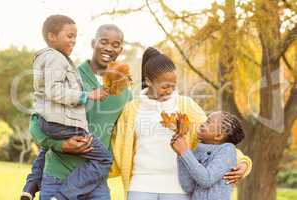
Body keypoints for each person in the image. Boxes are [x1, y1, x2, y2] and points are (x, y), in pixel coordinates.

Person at [110, 47, 252, 200]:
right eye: (165, 86)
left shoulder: (186, 106)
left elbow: (214, 138)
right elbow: (118, 148)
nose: (170, 90)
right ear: (149, 82)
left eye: (173, 86)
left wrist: (243, 162)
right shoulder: (131, 110)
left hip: (177, 188)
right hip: (140, 185)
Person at [21, 15, 115, 200]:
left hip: (94, 179)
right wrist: (87, 95)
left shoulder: (124, 90)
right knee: (104, 158)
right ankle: (59, 195)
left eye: (75, 36)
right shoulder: (60, 61)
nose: (109, 48)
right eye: (69, 36)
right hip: (58, 164)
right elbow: (41, 113)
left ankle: (31, 186)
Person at [171, 111, 245, 200]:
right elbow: (188, 187)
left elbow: (207, 180)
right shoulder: (198, 150)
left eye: (208, 122)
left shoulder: (227, 150)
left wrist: (184, 152)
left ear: (219, 136)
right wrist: (180, 155)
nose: (202, 124)